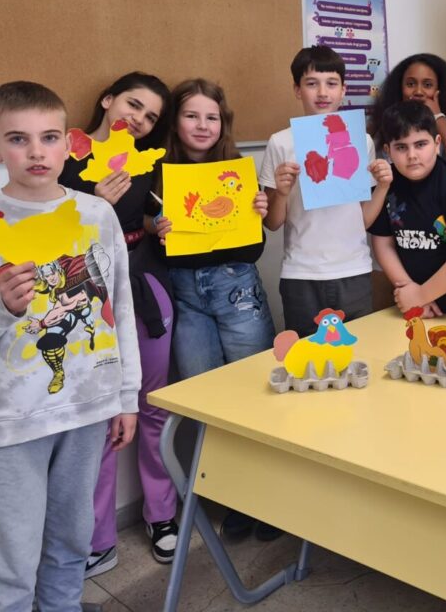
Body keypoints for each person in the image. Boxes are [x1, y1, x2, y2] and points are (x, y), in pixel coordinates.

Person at [0, 81, 141, 610]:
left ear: (69, 144)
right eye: (18, 139)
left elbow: (119, 309)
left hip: (87, 409)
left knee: (70, 548)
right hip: (12, 421)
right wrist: (0, 307)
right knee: (12, 567)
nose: (36, 152)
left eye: (48, 138)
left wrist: (126, 397)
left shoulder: (97, 214)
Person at [58, 72, 179, 575]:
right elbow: (52, 241)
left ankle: (162, 514)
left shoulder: (147, 162)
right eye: (133, 104)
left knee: (153, 404)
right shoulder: (63, 155)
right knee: (99, 415)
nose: (140, 119)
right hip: (86, 293)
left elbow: (143, 220)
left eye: (151, 116)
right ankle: (97, 538)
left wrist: (158, 225)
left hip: (147, 284)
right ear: (107, 100)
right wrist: (96, 204)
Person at [156, 78, 278, 542]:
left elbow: (253, 249)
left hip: (237, 290)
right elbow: (154, 246)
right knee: (207, 401)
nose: (202, 125)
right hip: (186, 297)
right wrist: (156, 226)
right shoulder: (158, 174)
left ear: (223, 123)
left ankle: (268, 500)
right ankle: (234, 497)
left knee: (255, 394)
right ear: (175, 122)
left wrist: (257, 213)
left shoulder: (237, 172)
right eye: (192, 115)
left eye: (212, 117)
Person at [260, 46, 392, 336]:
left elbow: (363, 219)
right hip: (301, 273)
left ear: (343, 90)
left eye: (331, 83)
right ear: (297, 90)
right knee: (308, 354)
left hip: (353, 269)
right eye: (311, 83)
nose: (322, 92)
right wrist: (281, 192)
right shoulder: (280, 142)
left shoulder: (361, 141)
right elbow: (272, 222)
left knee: (357, 351)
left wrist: (383, 187)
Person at [370, 101, 446, 318]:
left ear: (437, 143)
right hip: (411, 306)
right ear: (387, 151)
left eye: (420, 144)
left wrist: (422, 295)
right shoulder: (385, 186)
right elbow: (382, 243)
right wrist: (409, 292)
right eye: (401, 147)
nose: (412, 155)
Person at [370, 53, 446, 172]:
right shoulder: (385, 123)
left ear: (440, 90)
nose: (418, 92)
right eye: (410, 84)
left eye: (427, 85)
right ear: (399, 88)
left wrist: (438, 116)